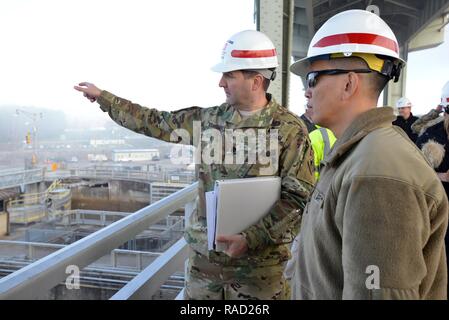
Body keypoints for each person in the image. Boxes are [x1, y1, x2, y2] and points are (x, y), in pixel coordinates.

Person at [74, 30, 315, 300]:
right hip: (205, 270)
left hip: (260, 275)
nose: (221, 83)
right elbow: (154, 121)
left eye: (229, 76)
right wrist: (104, 99)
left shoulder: (290, 131)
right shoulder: (207, 121)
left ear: (256, 81)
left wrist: (251, 237)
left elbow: (298, 200)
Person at [290, 9, 448, 299]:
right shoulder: (359, 155)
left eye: (312, 78)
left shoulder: (377, 173)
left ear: (349, 83)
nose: (306, 91)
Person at [412, 81, 449, 296]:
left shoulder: (431, 131)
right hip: (437, 210)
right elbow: (417, 172)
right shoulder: (431, 132)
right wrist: (439, 176)